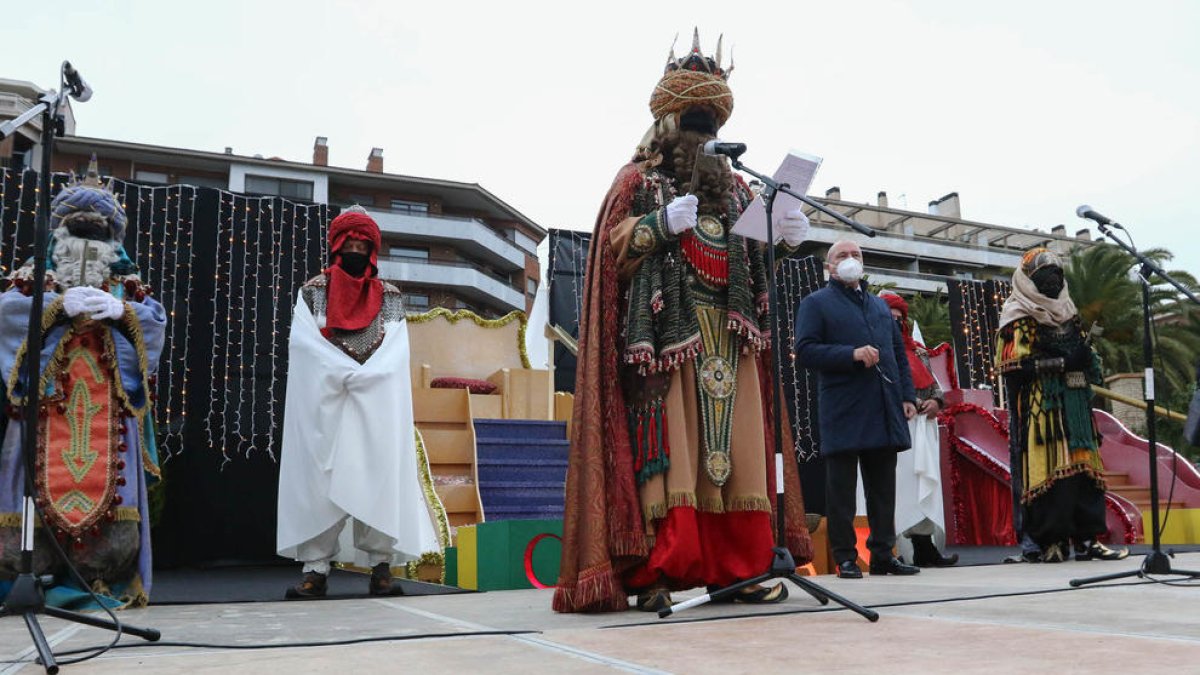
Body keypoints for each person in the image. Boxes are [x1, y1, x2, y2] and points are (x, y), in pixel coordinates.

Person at [553, 30, 813, 613]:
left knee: (738, 457)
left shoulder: (742, 189)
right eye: (693, 124)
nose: (702, 137)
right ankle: (658, 571)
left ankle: (738, 568)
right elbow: (610, 255)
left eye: (710, 127)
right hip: (668, 338)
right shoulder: (637, 180)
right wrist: (656, 225)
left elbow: (752, 255)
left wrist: (784, 240)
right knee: (675, 461)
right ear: (667, 123)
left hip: (733, 335)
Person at [0, 158, 165, 607]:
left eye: (98, 230)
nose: (88, 239)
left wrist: (122, 314)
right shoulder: (31, 281)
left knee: (112, 508)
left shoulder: (127, 287)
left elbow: (153, 327)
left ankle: (96, 576)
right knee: (26, 491)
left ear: (114, 236)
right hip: (43, 408)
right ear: (60, 230)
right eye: (78, 228)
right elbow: (7, 316)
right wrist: (53, 307)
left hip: (105, 411)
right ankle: (32, 575)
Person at [276, 206, 443, 597]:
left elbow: (397, 348)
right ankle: (316, 568)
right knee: (320, 480)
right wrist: (343, 374)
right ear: (336, 244)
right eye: (349, 240)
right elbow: (304, 344)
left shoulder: (390, 297)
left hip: (375, 401)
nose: (355, 246)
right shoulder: (313, 291)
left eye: (362, 242)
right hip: (327, 400)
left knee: (379, 475)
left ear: (372, 248)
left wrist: (368, 378)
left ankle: (381, 566)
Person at [794, 240, 921, 579]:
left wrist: (907, 396)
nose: (850, 260)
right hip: (843, 407)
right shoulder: (816, 304)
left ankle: (883, 555)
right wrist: (850, 354)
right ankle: (845, 558)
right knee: (842, 492)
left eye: (856, 255)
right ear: (829, 265)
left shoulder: (880, 307)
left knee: (882, 489)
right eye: (842, 256)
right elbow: (805, 351)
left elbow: (898, 353)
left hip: (883, 405)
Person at [996, 248, 1127, 563]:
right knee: (1054, 474)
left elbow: (1085, 356)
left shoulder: (1071, 312)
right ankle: (1051, 542)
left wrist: (1087, 358)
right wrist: (1063, 362)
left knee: (1086, 472)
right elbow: (1012, 365)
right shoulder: (1017, 314)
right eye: (1045, 274)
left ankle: (1087, 539)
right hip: (1044, 408)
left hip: (1077, 405)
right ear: (1029, 280)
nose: (1053, 279)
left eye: (1058, 273)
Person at [880, 292, 957, 567]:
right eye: (890, 318)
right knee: (903, 491)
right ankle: (899, 552)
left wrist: (935, 402)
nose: (896, 324)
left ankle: (927, 550)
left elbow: (937, 389)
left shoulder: (918, 351)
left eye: (900, 320)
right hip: (896, 430)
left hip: (924, 429)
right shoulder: (879, 351)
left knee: (925, 488)